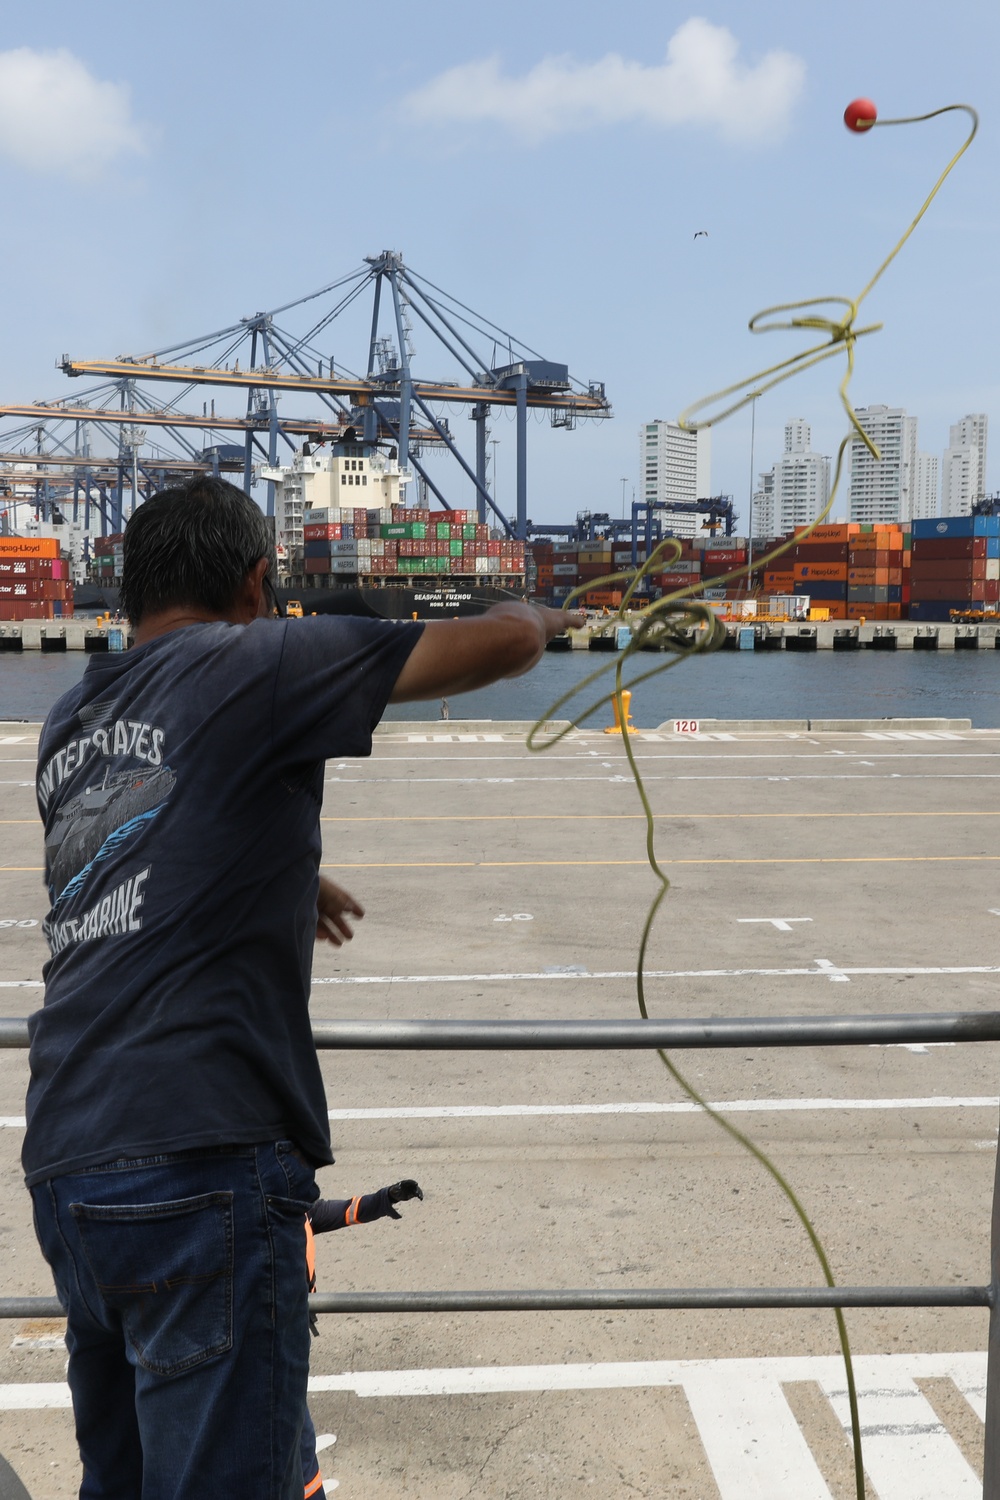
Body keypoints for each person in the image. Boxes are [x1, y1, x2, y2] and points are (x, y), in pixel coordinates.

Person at [24, 476, 579, 1499]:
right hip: (196, 1157)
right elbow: (503, 650)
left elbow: (127, 846)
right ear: (255, 583)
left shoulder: (73, 718)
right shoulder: (257, 657)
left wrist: (282, 868)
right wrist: (533, 609)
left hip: (69, 1165)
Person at [301, 1178, 424, 1499]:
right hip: (273, 1338)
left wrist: (386, 1198)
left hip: (292, 1330)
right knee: (294, 1435)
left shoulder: (298, 1212)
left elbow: (344, 1211)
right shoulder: (268, 1218)